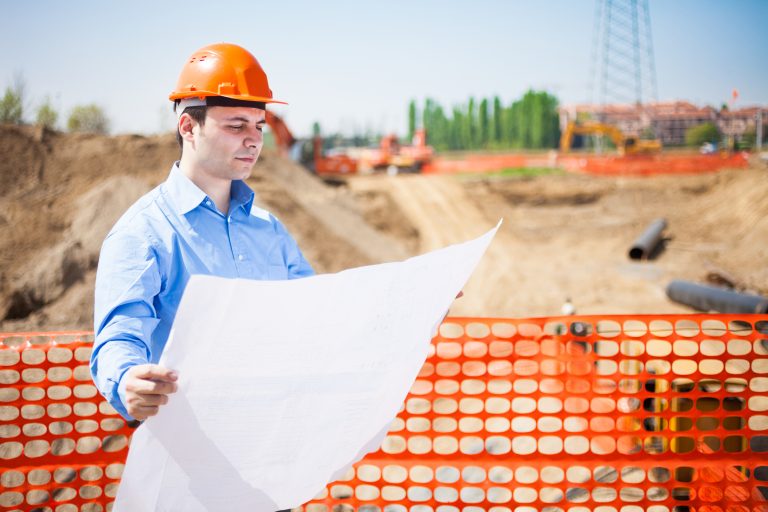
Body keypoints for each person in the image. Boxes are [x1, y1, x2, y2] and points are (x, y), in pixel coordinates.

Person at [90, 43, 314, 422]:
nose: (255, 139)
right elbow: (120, 336)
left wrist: (407, 304)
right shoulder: (143, 234)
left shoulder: (269, 230)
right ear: (188, 126)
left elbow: (318, 309)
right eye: (236, 125)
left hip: (271, 441)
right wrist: (126, 378)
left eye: (258, 125)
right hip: (191, 457)